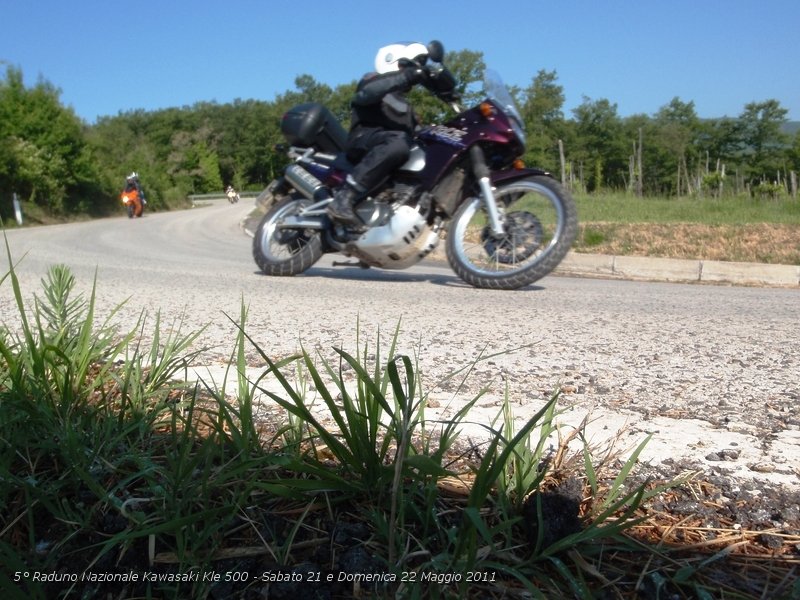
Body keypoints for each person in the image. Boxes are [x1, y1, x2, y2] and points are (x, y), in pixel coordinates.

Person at [327, 42, 432, 230]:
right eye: (406, 66)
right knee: (398, 142)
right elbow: (368, 93)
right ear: (391, 62)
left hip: (387, 151)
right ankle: (344, 197)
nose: (410, 72)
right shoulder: (372, 80)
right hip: (363, 140)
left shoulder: (407, 108)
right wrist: (407, 76)